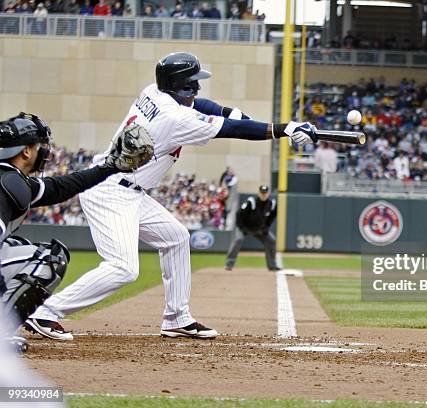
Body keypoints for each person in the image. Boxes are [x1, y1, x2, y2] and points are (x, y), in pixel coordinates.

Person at [28, 52, 317, 341]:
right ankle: (45, 311)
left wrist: (231, 112)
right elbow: (231, 130)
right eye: (192, 83)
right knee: (123, 268)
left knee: (176, 238)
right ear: (179, 85)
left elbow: (203, 107)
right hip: (110, 190)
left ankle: (177, 318)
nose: (197, 89)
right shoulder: (174, 118)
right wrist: (283, 129)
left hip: (128, 189)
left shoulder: (154, 92)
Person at [0, 113, 152, 344]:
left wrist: (109, 166)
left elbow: (60, 187)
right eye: (38, 146)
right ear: (26, 151)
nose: (44, 151)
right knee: (49, 259)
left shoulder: (12, 179)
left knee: (17, 247)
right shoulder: (9, 184)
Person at [224, 185, 278, 272]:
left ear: (268, 194)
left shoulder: (271, 204)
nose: (263, 195)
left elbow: (271, 217)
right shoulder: (251, 202)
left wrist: (266, 228)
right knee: (238, 240)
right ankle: (229, 264)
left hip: (258, 229)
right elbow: (239, 214)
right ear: (259, 193)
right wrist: (242, 228)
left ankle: (272, 265)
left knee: (271, 241)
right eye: (262, 193)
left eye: (265, 193)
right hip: (245, 227)